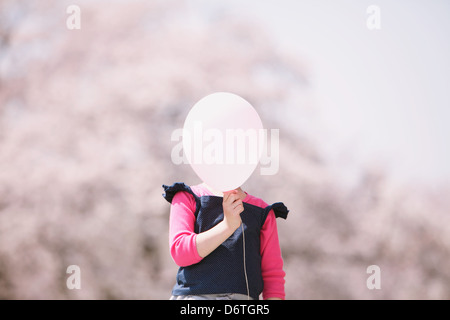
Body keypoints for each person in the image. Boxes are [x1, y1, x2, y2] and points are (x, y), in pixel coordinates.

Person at [162, 181, 288, 300]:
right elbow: (181, 252)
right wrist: (227, 226)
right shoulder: (187, 197)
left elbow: (273, 278)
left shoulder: (262, 212)